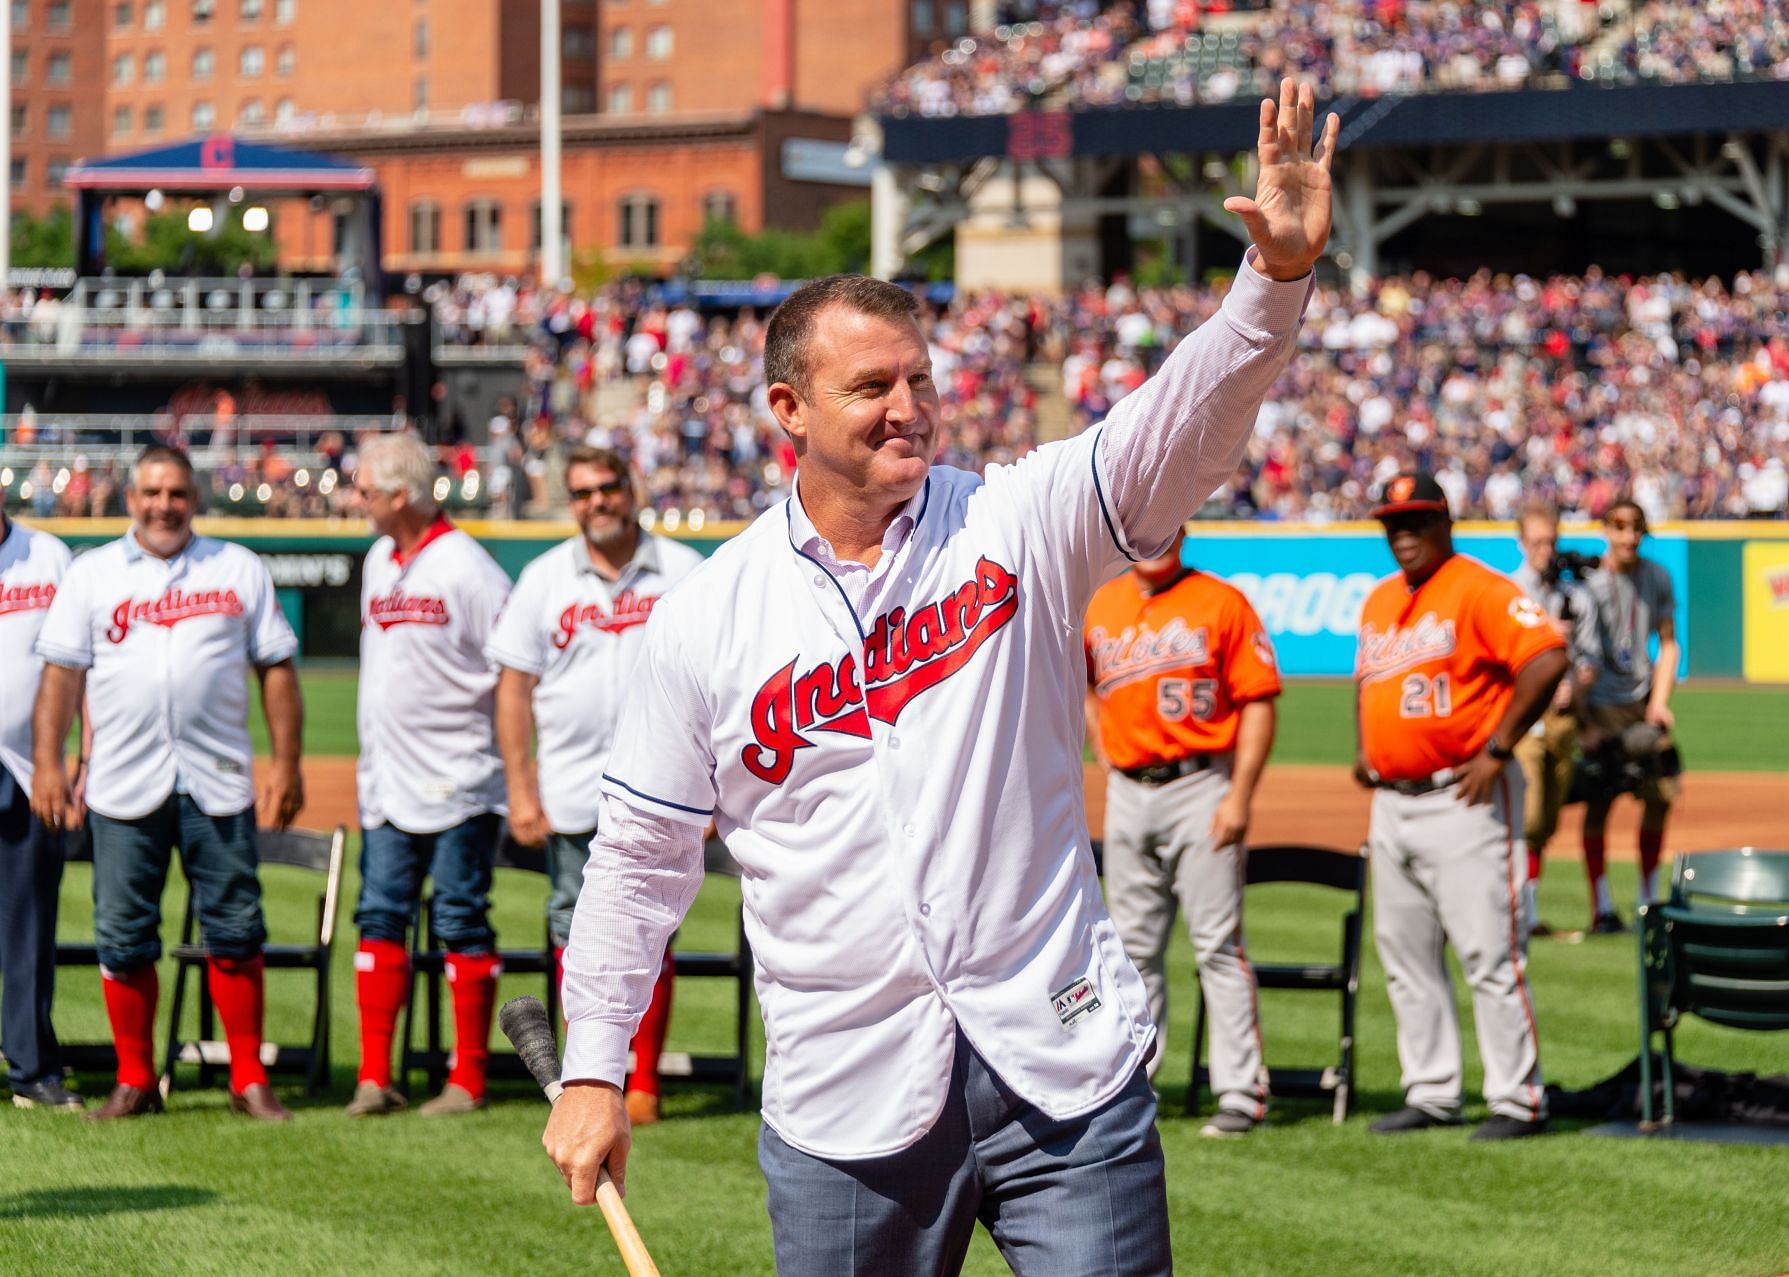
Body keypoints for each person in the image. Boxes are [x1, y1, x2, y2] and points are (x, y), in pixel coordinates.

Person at [544, 84, 1337, 1277]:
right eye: (871, 388)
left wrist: (1268, 284)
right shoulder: (704, 615)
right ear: (787, 410)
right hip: (845, 1095)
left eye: (918, 378)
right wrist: (596, 1066)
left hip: (1060, 1060)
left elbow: (1179, 427)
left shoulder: (1014, 521)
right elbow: (642, 858)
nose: (909, 407)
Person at [31, 445, 305, 1122]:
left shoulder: (236, 566)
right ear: (131, 499)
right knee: (123, 933)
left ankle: (247, 1076)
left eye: (177, 493)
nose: (164, 505)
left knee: (236, 925)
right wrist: (47, 762)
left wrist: (287, 762)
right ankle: (134, 1077)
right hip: (122, 779)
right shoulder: (93, 573)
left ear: (195, 499)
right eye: (152, 492)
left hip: (217, 777)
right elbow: (61, 677)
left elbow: (276, 668)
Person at [487, 446, 704, 1126]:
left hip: (664, 788)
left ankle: (644, 1079)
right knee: (570, 926)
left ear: (631, 487)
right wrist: (521, 788)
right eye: (581, 492)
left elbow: (718, 685)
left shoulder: (684, 571)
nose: (597, 502)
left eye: (608, 487)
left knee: (655, 930)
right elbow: (514, 688)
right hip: (575, 790)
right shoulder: (546, 578)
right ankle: (590, 1074)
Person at [1353, 472, 1566, 1141]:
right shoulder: (1380, 600)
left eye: (1416, 520)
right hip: (1394, 802)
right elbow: (1373, 686)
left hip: (1465, 795)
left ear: (1445, 523)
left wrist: (1499, 748)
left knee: (1489, 952)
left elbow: (1547, 658)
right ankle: (1433, 1090)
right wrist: (1369, 748)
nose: (1404, 534)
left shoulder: (1479, 587)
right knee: (1406, 954)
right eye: (1393, 523)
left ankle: (1517, 1098)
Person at [1082, 528, 1279, 1139]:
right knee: (1132, 949)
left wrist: (1239, 795)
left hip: (1201, 785)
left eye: (1169, 531)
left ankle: (1241, 1092)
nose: (1158, 542)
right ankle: (1137, 1083)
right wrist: (1103, 745)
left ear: (1185, 535)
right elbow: (1086, 687)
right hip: (1130, 793)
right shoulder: (1101, 603)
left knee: (1218, 945)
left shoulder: (1222, 602)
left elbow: (1259, 700)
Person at [344, 433, 512, 1119]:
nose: (356, 500)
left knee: (460, 917)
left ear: (399, 494)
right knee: (380, 914)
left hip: (459, 778)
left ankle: (467, 1079)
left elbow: (512, 668)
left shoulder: (468, 568)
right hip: (386, 780)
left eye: (364, 490)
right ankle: (373, 1075)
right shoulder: (381, 559)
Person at [1, 510, 83, 1110]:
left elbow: (81, 664)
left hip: (30, 769)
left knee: (29, 924)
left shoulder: (49, 556)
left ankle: (31, 1069)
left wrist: (80, 758)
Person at [1575, 497, 1681, 929]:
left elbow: (1669, 642)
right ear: (1606, 530)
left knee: (1662, 793)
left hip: (1640, 702)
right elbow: (1576, 659)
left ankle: (1646, 899)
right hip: (1601, 706)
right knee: (1598, 802)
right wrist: (1584, 723)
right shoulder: (1588, 584)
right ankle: (1601, 906)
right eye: (1619, 527)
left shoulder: (1657, 576)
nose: (1628, 536)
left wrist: (1658, 701)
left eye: (1636, 527)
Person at [1508, 502, 1596, 936]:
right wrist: (1546, 637)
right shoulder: (1507, 591)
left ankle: (1531, 910)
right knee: (1528, 812)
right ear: (1522, 543)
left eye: (1551, 541)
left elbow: (1590, 659)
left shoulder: (1575, 596)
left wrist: (1575, 686)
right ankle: (1516, 910)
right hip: (1525, 715)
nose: (1545, 550)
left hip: (1563, 716)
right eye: (1537, 542)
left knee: (1546, 819)